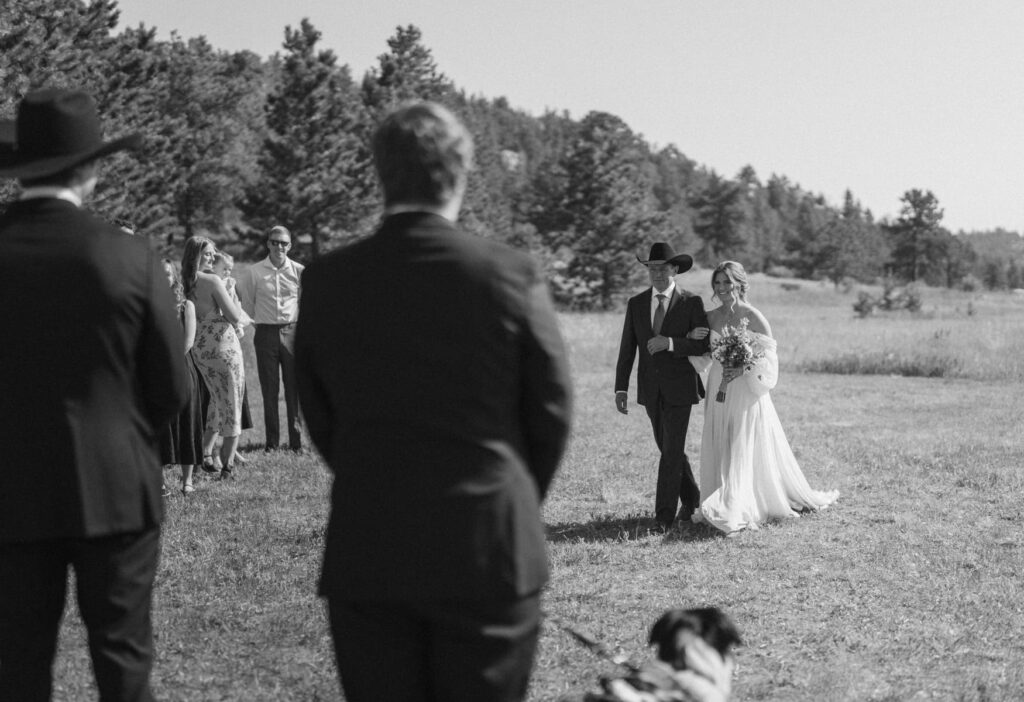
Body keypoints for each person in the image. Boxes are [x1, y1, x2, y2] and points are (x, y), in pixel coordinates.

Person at [295, 101, 573, 702]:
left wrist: (371, 473)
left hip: (372, 545)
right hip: (488, 548)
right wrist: (508, 496)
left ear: (380, 173)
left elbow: (317, 409)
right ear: (462, 172)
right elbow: (550, 411)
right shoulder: (508, 274)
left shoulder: (328, 281)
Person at [0, 87, 186, 701]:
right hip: (117, 484)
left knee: (16, 662)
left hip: (10, 487)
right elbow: (171, 387)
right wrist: (126, 439)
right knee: (123, 657)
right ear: (93, 169)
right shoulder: (129, 256)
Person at [694, 261, 839, 535]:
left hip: (745, 389)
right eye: (718, 283)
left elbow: (769, 359)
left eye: (727, 282)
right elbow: (701, 351)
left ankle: (740, 501)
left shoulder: (754, 316)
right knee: (719, 437)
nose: (722, 288)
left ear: (739, 283)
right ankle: (717, 494)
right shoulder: (709, 317)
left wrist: (744, 367)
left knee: (740, 439)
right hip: (718, 386)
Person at [615, 243, 710, 531]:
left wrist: (669, 342)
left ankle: (663, 517)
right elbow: (627, 349)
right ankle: (693, 500)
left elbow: (703, 344)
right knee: (670, 449)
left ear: (675, 270)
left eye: (663, 268)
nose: (656, 273)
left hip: (681, 387)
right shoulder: (636, 303)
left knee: (670, 451)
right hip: (650, 390)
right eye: (652, 268)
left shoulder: (691, 302)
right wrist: (621, 388)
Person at [236, 224, 304, 452]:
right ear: (268, 244)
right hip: (265, 333)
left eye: (284, 243)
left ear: (290, 245)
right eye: (274, 242)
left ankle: (296, 443)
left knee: (293, 389)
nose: (279, 246)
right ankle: (272, 443)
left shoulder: (299, 271)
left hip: (292, 331)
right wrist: (259, 325)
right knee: (269, 389)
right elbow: (247, 305)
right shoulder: (254, 272)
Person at [183, 236, 244, 479]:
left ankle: (205, 456)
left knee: (216, 402)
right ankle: (228, 467)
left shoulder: (184, 282)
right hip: (222, 346)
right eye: (206, 254)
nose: (211, 258)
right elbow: (235, 316)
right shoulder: (213, 280)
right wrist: (231, 295)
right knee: (232, 400)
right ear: (196, 255)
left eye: (212, 254)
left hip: (199, 348)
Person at [158, 259, 205, 494]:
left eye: (167, 273)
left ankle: (187, 480)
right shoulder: (149, 304)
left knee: (187, 420)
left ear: (174, 277)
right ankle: (160, 481)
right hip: (154, 369)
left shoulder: (186, 306)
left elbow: (188, 341)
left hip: (181, 367)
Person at [212, 251, 254, 460]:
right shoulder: (213, 284)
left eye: (230, 269)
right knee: (222, 403)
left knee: (234, 400)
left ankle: (231, 448)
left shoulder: (229, 283)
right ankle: (217, 451)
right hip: (219, 342)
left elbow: (237, 306)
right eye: (224, 268)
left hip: (232, 338)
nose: (228, 272)